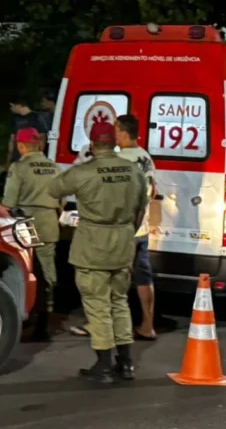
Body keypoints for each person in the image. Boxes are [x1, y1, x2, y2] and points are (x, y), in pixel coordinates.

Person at [48, 121, 149, 383]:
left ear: (92, 144)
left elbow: (54, 188)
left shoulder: (85, 171)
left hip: (93, 243)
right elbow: (141, 208)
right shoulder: (133, 170)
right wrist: (127, 231)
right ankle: (126, 363)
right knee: (119, 302)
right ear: (114, 142)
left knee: (97, 305)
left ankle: (103, 364)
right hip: (123, 242)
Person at [2, 127, 63, 340]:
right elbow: (62, 200)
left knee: (25, 269)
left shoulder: (19, 167)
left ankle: (28, 314)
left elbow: (9, 201)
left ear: (20, 145)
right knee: (47, 271)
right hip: (49, 221)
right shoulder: (54, 167)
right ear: (39, 144)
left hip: (26, 223)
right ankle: (45, 318)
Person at [115, 114, 158, 341]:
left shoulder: (121, 158)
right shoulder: (146, 158)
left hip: (125, 228)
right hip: (142, 229)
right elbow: (153, 190)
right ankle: (147, 324)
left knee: (115, 278)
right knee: (143, 278)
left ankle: (109, 327)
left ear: (123, 132)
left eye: (116, 131)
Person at [7, 96, 49, 169]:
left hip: (31, 156)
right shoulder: (15, 119)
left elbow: (42, 138)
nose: (11, 109)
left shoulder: (37, 117)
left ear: (19, 105)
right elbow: (12, 139)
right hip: (17, 157)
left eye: (12, 106)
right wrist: (9, 157)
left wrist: (38, 157)